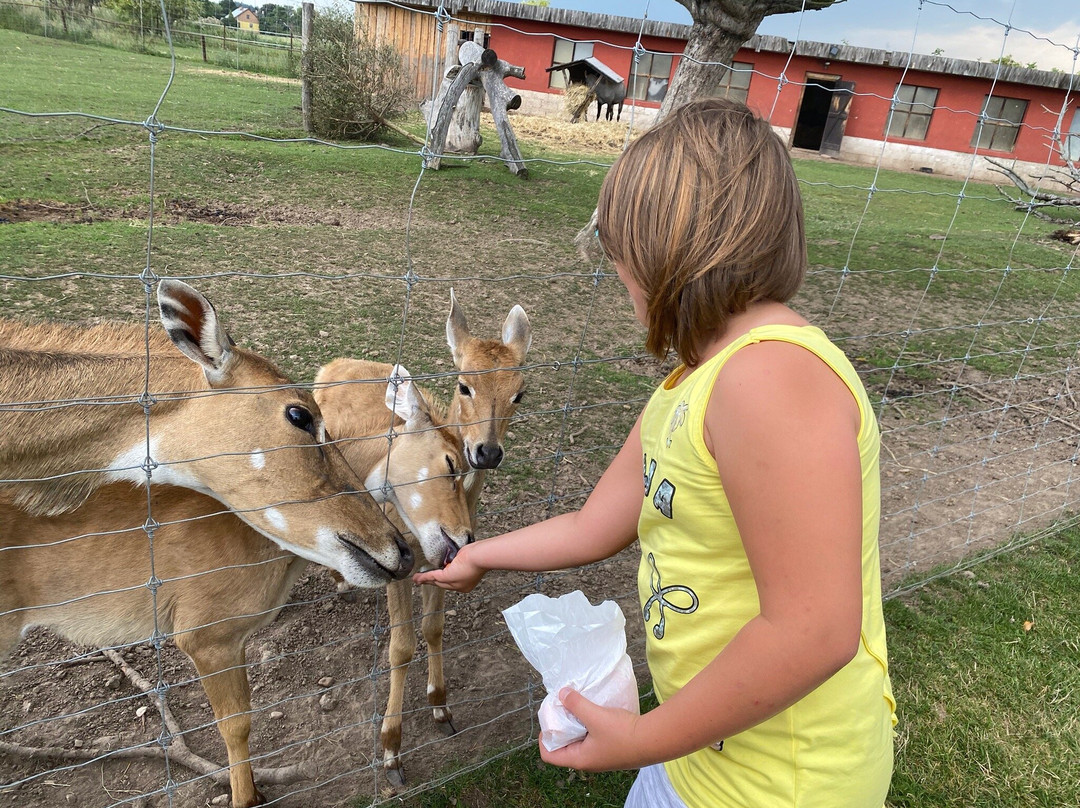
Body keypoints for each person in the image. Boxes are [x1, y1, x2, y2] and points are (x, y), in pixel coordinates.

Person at [414, 98, 896, 808]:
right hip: (699, 749)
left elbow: (815, 630)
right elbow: (593, 525)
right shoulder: (691, 383)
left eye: (618, 248)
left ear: (676, 247)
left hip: (782, 784)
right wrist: (482, 555)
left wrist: (638, 740)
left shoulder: (767, 378)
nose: (614, 270)